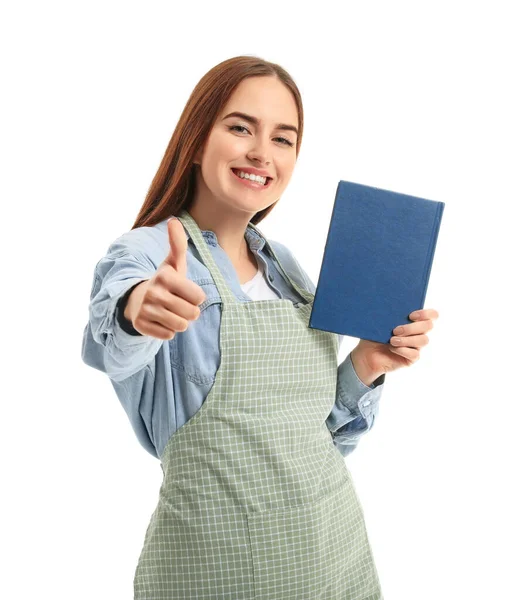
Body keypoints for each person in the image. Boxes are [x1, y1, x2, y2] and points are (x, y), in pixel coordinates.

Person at [81, 55, 439, 600]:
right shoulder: (150, 253)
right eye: (240, 127)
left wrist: (368, 364)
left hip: (335, 560)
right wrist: (141, 310)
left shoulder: (288, 269)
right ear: (197, 140)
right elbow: (117, 334)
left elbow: (310, 439)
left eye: (283, 139)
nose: (260, 153)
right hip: (216, 576)